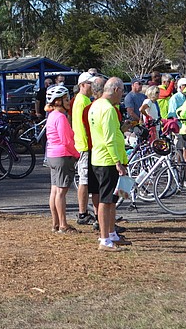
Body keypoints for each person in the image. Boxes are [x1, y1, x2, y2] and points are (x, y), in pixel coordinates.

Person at [87, 77, 129, 251]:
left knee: (112, 199)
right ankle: (104, 239)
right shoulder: (108, 109)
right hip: (107, 160)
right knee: (106, 200)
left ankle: (111, 234)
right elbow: (110, 138)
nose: (122, 97)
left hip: (99, 157)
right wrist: (117, 162)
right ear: (117, 90)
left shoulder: (95, 105)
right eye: (122, 92)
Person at [44, 85, 79, 233]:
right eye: (66, 99)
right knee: (61, 192)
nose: (68, 101)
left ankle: (55, 223)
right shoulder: (61, 117)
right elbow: (67, 141)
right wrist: (77, 154)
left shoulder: (51, 115)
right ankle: (63, 225)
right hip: (62, 155)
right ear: (58, 101)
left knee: (54, 191)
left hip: (52, 155)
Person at [72, 72, 99, 226]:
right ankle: (83, 213)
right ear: (82, 85)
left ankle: (92, 213)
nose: (92, 86)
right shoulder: (82, 101)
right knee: (84, 180)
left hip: (85, 144)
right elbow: (85, 125)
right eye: (90, 84)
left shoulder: (83, 100)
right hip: (84, 145)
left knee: (89, 180)